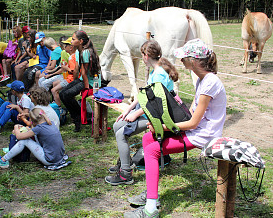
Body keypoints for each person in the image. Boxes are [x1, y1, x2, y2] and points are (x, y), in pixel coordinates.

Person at [124, 38, 226, 218]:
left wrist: (162, 126)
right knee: (148, 138)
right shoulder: (203, 80)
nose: (181, 61)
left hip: (203, 135)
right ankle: (151, 195)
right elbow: (192, 113)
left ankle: (150, 209)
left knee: (153, 150)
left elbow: (193, 123)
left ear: (193, 61)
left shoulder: (209, 82)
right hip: (196, 129)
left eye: (184, 57)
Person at [105, 40, 179, 186]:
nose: (142, 57)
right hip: (147, 111)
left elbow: (156, 102)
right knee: (116, 125)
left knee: (121, 133)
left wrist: (135, 114)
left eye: (142, 54)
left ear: (146, 56)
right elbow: (144, 95)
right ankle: (124, 162)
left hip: (156, 117)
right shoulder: (154, 71)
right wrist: (128, 109)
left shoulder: (159, 75)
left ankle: (126, 174)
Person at [0, 107, 66, 168]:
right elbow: (34, 129)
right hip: (59, 157)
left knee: (24, 141)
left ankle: (3, 160)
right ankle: (11, 151)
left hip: (50, 160)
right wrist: (28, 120)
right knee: (30, 135)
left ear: (33, 121)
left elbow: (19, 136)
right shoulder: (50, 123)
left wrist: (16, 127)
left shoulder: (38, 128)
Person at [59, 30, 101, 132]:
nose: (71, 41)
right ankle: (78, 115)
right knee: (62, 94)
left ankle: (78, 117)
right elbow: (78, 70)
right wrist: (74, 82)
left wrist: (86, 88)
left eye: (73, 39)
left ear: (81, 41)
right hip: (82, 79)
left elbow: (84, 72)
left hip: (90, 83)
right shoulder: (78, 51)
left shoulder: (86, 52)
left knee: (67, 95)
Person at [51, 37, 76, 108]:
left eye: (66, 46)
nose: (64, 47)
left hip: (71, 79)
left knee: (53, 90)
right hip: (68, 77)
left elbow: (73, 70)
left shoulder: (72, 57)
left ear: (71, 47)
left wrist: (65, 68)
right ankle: (56, 102)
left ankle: (59, 108)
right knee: (55, 83)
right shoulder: (71, 56)